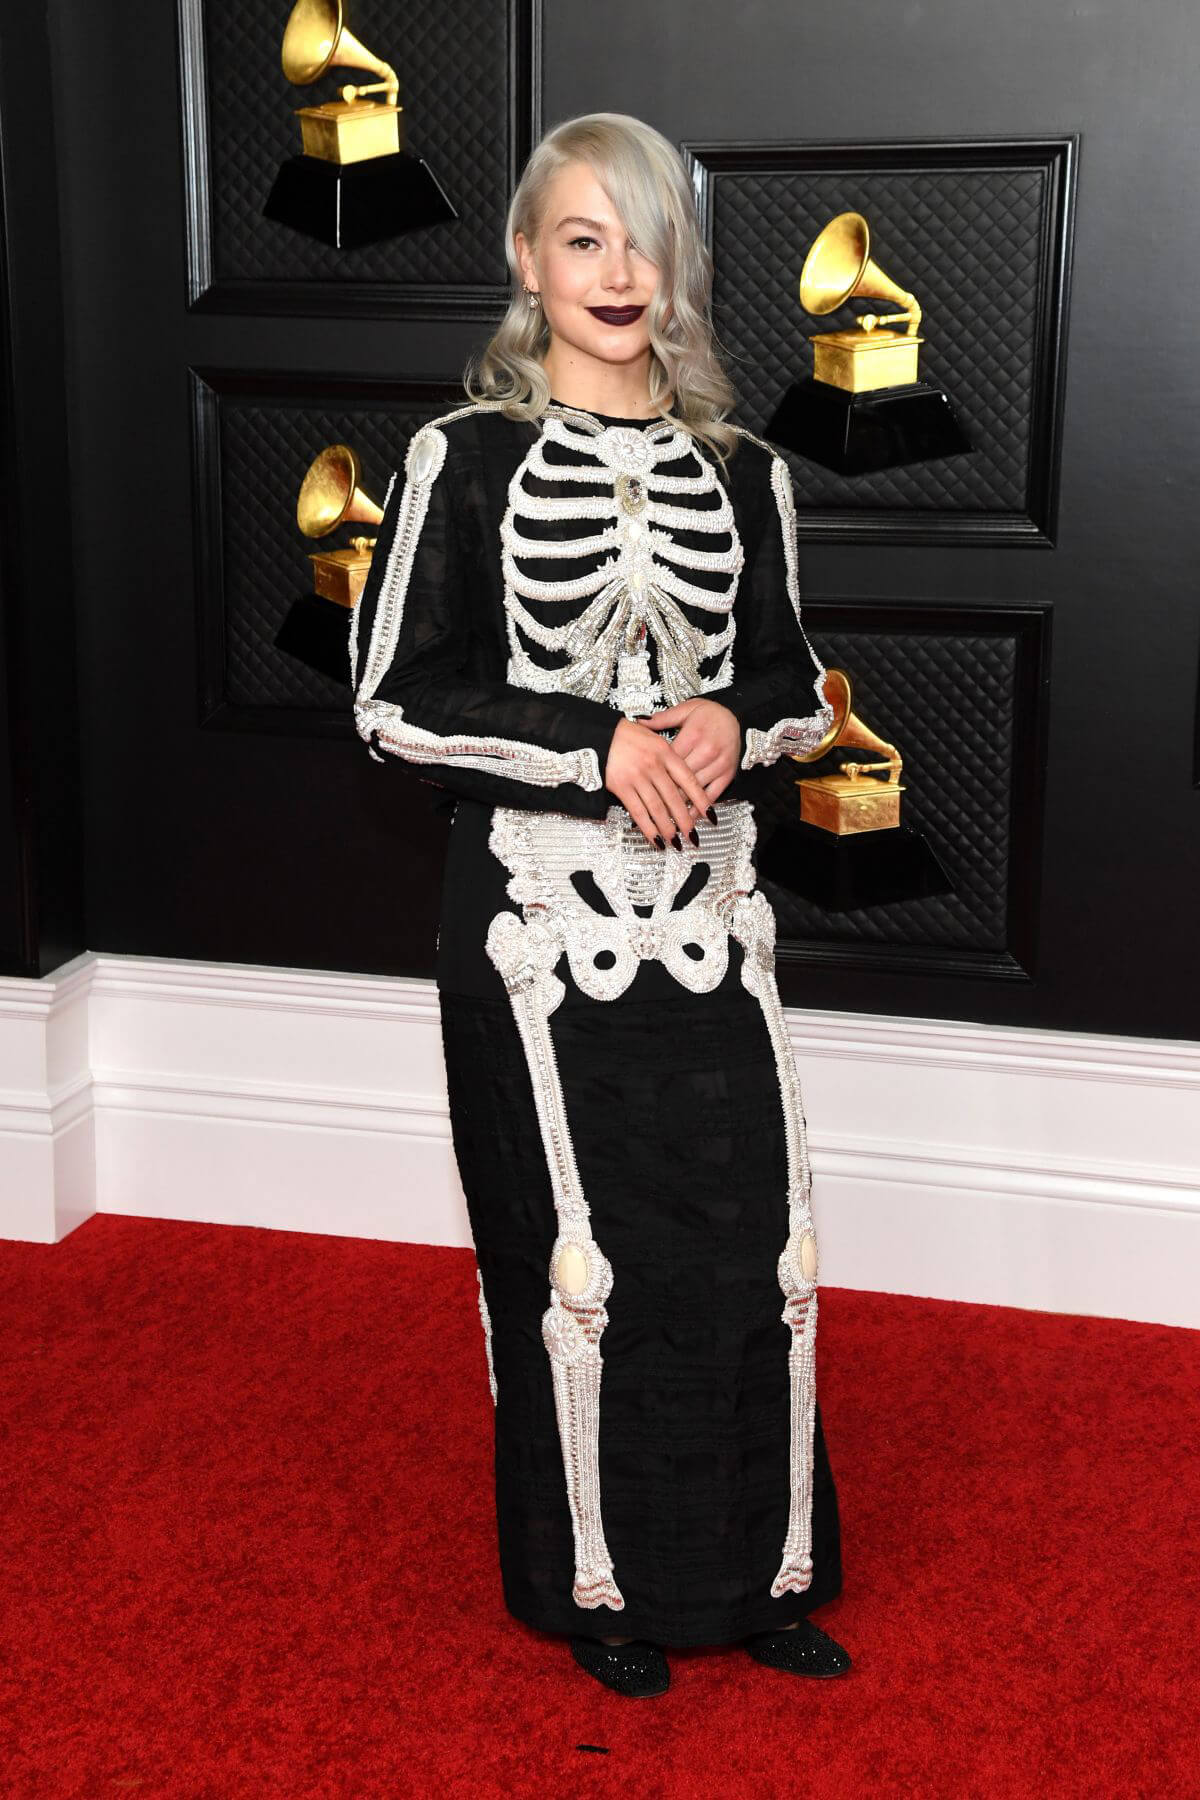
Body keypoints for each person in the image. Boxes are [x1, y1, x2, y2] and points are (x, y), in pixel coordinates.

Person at [350, 111, 852, 1697]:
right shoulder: (465, 457)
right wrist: (595, 746)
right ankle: (604, 1589)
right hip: (531, 924)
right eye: (584, 239)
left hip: (711, 910)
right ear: (527, 261)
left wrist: (735, 723)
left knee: (749, 1244)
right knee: (575, 1258)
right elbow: (392, 698)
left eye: (644, 241)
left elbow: (790, 680)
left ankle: (761, 1574)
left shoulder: (745, 468)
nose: (619, 272)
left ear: (681, 267)